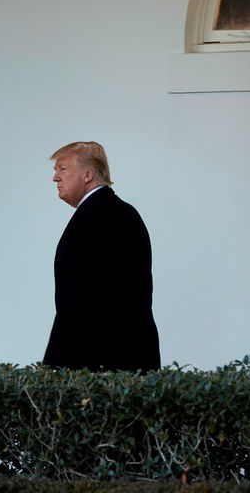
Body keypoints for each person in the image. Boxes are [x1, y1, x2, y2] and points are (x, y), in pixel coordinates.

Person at [43, 141, 160, 372]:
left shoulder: (94, 218)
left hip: (98, 369)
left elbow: (78, 300)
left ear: (88, 174)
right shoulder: (120, 212)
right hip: (130, 361)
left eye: (62, 169)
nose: (55, 178)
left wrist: (56, 367)